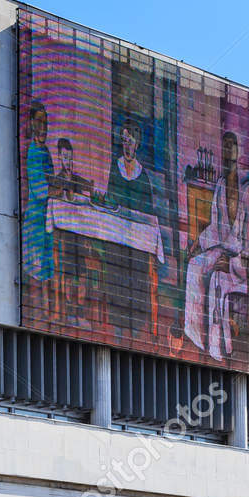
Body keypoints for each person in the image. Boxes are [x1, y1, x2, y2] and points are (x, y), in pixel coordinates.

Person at [184, 131, 249, 362]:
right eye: (224, 147)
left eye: (232, 146)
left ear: (237, 151)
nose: (228, 151)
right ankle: (195, 335)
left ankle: (218, 346)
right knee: (194, 266)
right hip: (219, 248)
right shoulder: (220, 186)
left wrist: (233, 260)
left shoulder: (246, 193)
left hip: (239, 260)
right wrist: (199, 243)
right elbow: (215, 226)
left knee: (217, 278)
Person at [102, 120, 157, 340]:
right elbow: (109, 197)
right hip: (117, 236)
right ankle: (116, 326)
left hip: (136, 241)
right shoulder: (115, 168)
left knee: (137, 275)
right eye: (124, 140)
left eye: (130, 141)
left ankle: (135, 328)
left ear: (137, 145)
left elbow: (148, 211)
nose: (126, 145)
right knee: (116, 272)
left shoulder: (143, 176)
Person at [23, 102, 55, 284]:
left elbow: (51, 179)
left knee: (46, 273)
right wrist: (58, 191)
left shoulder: (46, 151)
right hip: (36, 220)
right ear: (32, 124)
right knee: (36, 273)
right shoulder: (34, 151)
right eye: (39, 122)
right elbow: (41, 190)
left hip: (47, 219)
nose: (43, 128)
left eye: (46, 123)